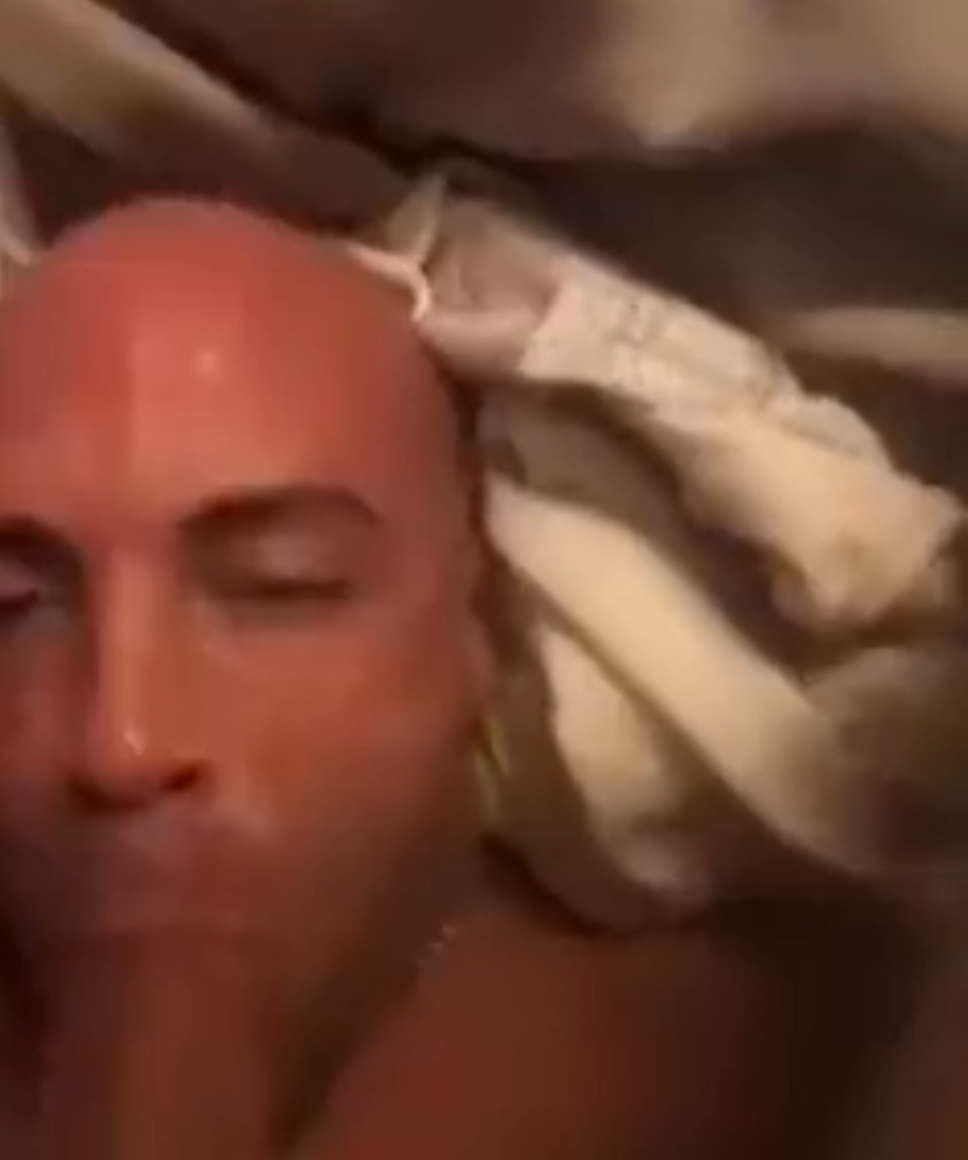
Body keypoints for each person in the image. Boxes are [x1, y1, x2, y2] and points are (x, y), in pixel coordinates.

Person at [0, 198, 917, 1160]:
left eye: (281, 583)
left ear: (480, 628)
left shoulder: (811, 1072)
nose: (121, 741)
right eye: (12, 608)